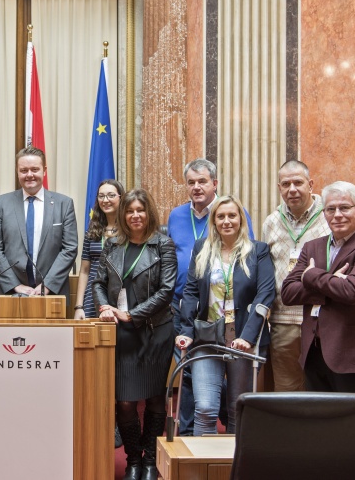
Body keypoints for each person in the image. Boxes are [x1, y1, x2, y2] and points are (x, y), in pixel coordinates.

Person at [93, 188, 177, 480]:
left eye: (140, 210)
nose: (135, 215)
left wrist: (133, 313)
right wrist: (103, 305)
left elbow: (167, 291)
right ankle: (132, 461)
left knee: (154, 398)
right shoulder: (112, 244)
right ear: (123, 215)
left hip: (155, 331)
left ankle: (150, 461)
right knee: (125, 400)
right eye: (129, 211)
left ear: (148, 213)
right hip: (122, 332)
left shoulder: (163, 245)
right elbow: (98, 282)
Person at [167, 159, 254, 435]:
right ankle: (188, 437)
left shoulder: (229, 213)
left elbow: (246, 260)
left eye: (202, 181)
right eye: (191, 182)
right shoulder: (176, 216)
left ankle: (229, 435)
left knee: (220, 382)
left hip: (224, 313)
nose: (196, 187)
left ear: (214, 183)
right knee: (191, 376)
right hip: (184, 308)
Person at [175, 196, 275, 436]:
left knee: (236, 409)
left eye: (232, 215)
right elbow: (189, 292)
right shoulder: (202, 248)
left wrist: (249, 338)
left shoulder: (258, 250)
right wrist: (186, 332)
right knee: (206, 408)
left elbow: (265, 294)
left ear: (241, 219)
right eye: (221, 216)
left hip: (242, 340)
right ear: (214, 221)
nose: (227, 221)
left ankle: (232, 468)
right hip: (207, 338)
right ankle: (203, 468)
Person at [282, 181, 355, 393]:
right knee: (316, 424)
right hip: (312, 353)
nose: (337, 214)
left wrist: (311, 275)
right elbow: (288, 292)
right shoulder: (313, 246)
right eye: (330, 209)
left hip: (350, 355)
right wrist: (332, 282)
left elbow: (351, 291)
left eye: (344, 208)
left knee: (350, 425)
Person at [261, 160, 330, 391]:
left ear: (310, 184)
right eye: (286, 184)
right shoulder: (271, 223)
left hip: (322, 317)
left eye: (298, 182)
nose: (292, 189)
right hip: (283, 320)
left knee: (322, 389)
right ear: (279, 187)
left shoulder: (329, 217)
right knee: (287, 390)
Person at [0, 146, 78, 302]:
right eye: (24, 170)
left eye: (35, 169)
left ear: (44, 171)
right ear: (17, 172)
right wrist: (15, 286)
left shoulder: (64, 204)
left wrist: (47, 285)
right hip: (10, 294)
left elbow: (69, 249)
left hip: (53, 294)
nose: (29, 175)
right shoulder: (1, 203)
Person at [74, 179, 125, 320]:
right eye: (101, 196)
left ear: (121, 197)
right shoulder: (92, 231)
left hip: (120, 295)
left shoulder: (128, 231)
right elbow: (84, 271)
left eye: (111, 195)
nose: (105, 200)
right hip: (93, 297)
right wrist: (79, 306)